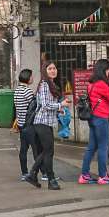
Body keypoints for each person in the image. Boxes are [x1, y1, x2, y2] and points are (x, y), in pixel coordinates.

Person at [25, 60, 64, 190]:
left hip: (47, 122)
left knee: (47, 151)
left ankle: (33, 174)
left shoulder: (50, 83)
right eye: (50, 69)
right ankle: (51, 179)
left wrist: (59, 109)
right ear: (45, 71)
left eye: (54, 68)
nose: (53, 70)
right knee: (48, 151)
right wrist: (60, 105)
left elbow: (48, 104)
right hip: (41, 122)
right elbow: (46, 105)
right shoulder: (44, 85)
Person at [13, 68, 37, 181]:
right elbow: (34, 105)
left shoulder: (17, 90)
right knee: (36, 149)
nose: (33, 78)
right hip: (29, 124)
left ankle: (24, 172)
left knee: (23, 149)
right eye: (31, 76)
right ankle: (41, 173)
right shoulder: (27, 91)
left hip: (21, 124)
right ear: (27, 78)